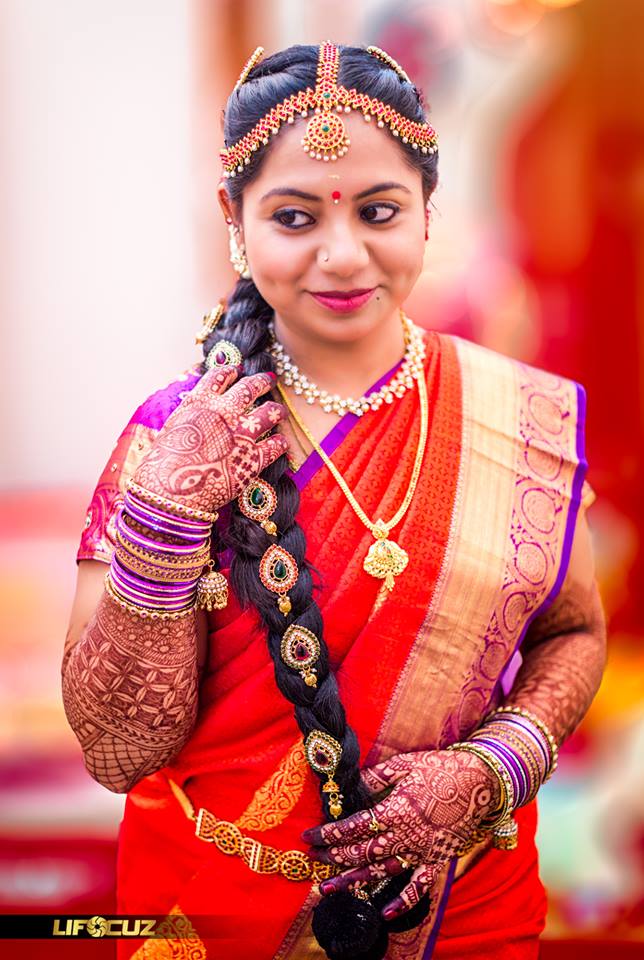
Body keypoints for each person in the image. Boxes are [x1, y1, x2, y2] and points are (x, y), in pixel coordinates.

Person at [62, 42, 607, 960]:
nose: (343, 254)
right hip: (218, 911)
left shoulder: (523, 420)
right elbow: (118, 752)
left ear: (428, 216)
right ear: (236, 223)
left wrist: (491, 768)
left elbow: (574, 632)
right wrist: (166, 521)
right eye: (294, 216)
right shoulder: (172, 440)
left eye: (381, 212)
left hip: (464, 912)